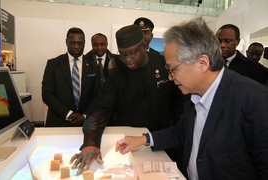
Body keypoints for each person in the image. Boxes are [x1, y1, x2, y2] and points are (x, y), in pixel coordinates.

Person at [115, 18, 268, 179]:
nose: (170, 76)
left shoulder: (256, 101)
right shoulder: (192, 96)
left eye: (172, 68)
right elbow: (182, 132)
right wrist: (143, 140)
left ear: (202, 63)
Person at [69, 24, 185, 175]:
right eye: (123, 54)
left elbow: (179, 103)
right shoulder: (117, 74)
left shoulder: (163, 65)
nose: (128, 59)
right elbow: (100, 109)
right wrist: (91, 142)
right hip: (129, 143)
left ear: (143, 46)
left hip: (161, 140)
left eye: (132, 53)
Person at [42, 27, 101, 127]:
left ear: (84, 43)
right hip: (58, 122)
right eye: (73, 43)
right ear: (66, 42)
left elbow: (98, 95)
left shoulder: (93, 66)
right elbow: (47, 94)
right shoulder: (53, 64)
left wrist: (84, 116)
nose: (76, 46)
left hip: (85, 123)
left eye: (80, 43)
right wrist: (69, 114)